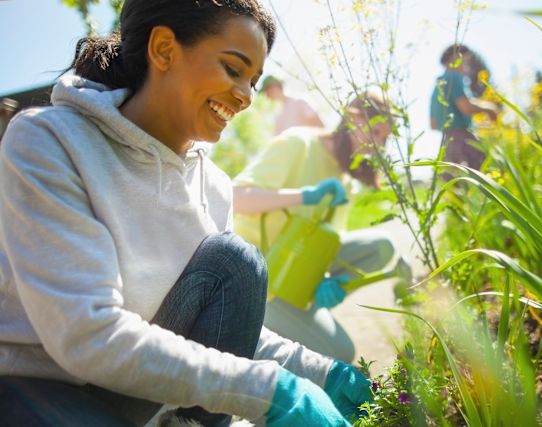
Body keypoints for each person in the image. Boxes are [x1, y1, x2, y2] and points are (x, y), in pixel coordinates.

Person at [0, 1, 371, 426]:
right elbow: (87, 335)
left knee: (236, 263)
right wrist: (269, 392)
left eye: (254, 80)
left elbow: (230, 332)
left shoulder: (212, 185)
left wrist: (322, 373)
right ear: (163, 50)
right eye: (234, 69)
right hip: (34, 387)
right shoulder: (49, 141)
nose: (247, 96)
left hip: (130, 387)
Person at [233, 90, 412, 363]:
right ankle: (255, 339)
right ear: (352, 120)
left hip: (293, 277)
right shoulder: (298, 143)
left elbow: (324, 247)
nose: (378, 145)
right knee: (341, 354)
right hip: (258, 281)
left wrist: (338, 284)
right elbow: (237, 198)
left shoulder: (346, 182)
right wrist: (306, 194)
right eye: (375, 131)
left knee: (382, 247)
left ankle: (302, 315)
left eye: (385, 138)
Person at [429, 43, 499, 179]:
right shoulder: (453, 77)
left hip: (446, 140)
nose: (467, 67)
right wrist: (489, 108)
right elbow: (465, 107)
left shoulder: (438, 85)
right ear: (456, 58)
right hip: (462, 138)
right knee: (484, 172)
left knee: (454, 182)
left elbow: (432, 124)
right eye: (466, 61)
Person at [260, 75, 325, 135]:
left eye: (267, 91)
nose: (266, 95)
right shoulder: (278, 116)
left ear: (274, 87)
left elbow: (319, 124)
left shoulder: (299, 101)